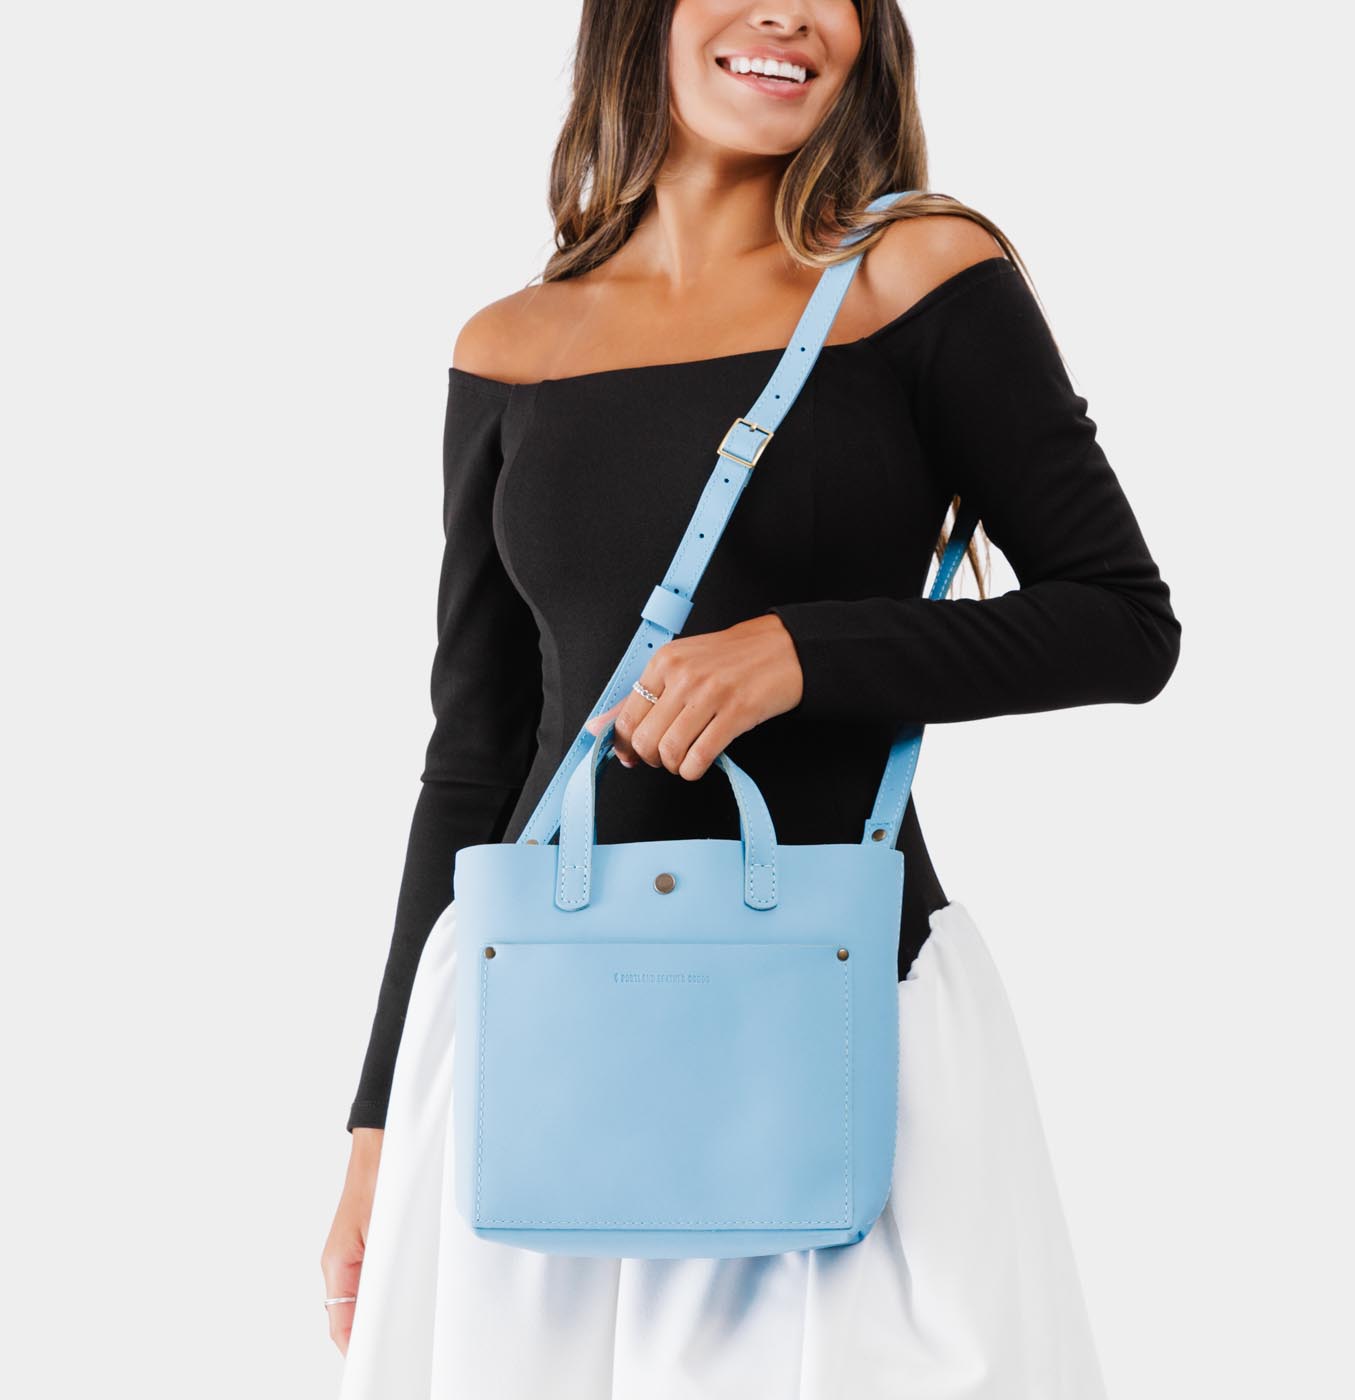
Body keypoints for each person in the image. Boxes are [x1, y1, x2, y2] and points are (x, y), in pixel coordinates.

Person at [323, 1, 1181, 1394]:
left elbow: (1122, 622)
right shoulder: (514, 345)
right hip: (535, 1043)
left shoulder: (916, 276)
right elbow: (474, 753)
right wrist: (375, 1131)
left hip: (838, 1026)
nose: (786, 11)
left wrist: (803, 654)